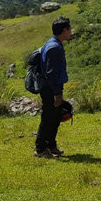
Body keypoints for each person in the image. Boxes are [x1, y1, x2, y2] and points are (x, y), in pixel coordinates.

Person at [35, 16, 73, 158]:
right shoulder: (55, 48)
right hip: (50, 88)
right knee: (48, 117)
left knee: (56, 116)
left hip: (50, 86)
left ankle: (51, 145)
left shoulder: (52, 43)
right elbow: (51, 73)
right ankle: (40, 149)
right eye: (69, 28)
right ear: (64, 30)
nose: (71, 31)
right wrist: (57, 94)